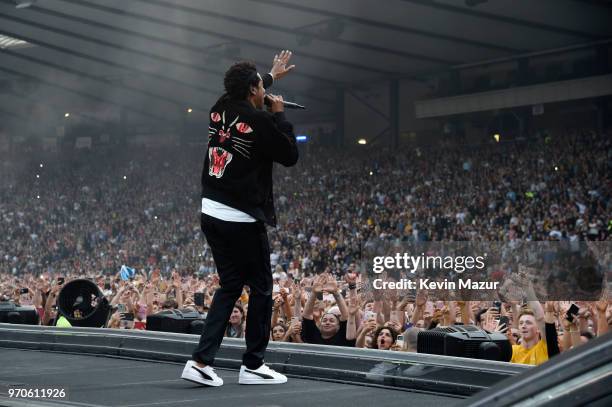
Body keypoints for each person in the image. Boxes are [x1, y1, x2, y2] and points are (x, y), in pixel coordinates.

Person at [181, 50, 298, 387]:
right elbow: (290, 154)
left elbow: (243, 94)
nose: (265, 90)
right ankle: (253, 365)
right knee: (262, 286)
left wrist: (271, 77)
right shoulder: (262, 121)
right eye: (261, 86)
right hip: (240, 216)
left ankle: (201, 361)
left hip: (210, 211)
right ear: (252, 89)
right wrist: (280, 115)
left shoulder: (218, 107)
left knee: (231, 285)